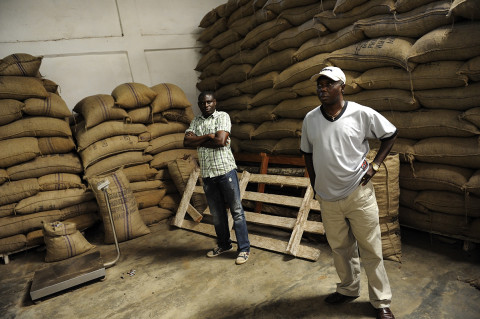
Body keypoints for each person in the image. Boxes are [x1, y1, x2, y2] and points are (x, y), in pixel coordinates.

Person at [300, 67, 397, 319]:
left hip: (358, 192)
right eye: (319, 85)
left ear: (342, 86)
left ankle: (381, 301)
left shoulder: (360, 113)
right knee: (340, 248)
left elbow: (390, 134)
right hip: (327, 196)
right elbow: (307, 153)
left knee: (371, 249)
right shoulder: (310, 119)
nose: (322, 88)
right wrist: (315, 184)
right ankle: (348, 289)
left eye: (328, 84)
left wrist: (375, 165)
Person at [184, 91, 250, 265]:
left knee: (236, 212)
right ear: (199, 104)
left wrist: (198, 140)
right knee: (217, 214)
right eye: (202, 103)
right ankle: (224, 245)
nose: (206, 105)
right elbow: (186, 142)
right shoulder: (196, 121)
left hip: (225, 170)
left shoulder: (222, 117)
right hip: (208, 174)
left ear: (215, 102)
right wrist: (207, 136)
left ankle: (244, 249)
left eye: (209, 102)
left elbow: (221, 141)